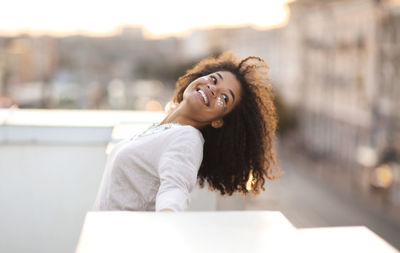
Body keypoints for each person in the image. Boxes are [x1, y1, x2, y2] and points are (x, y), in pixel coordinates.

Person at [93, 51, 280, 212]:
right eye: (214, 79)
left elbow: (175, 189)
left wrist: (169, 215)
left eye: (224, 97)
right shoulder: (163, 129)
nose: (213, 89)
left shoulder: (187, 139)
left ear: (217, 121)